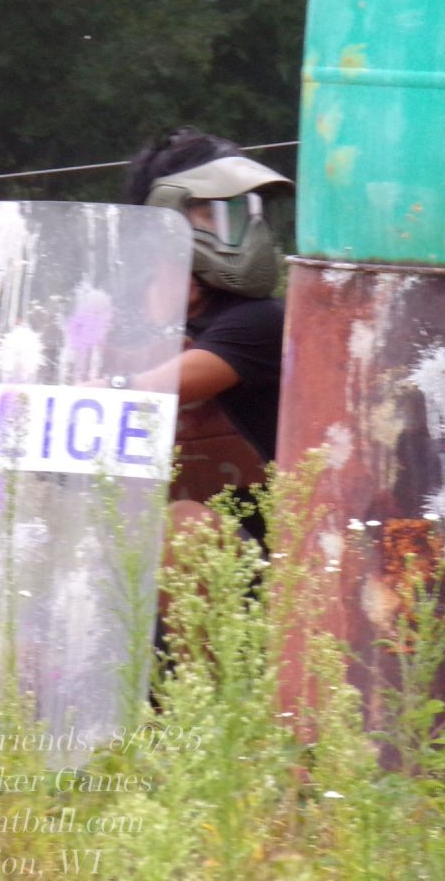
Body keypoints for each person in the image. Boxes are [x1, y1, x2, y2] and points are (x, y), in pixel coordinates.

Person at [121, 128, 293, 631]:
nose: (247, 228)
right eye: (218, 213)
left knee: (183, 528)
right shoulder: (117, 320)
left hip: (268, 573)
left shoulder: (257, 322)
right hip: (140, 579)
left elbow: (149, 391)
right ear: (164, 221)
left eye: (250, 211)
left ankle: (210, 686)